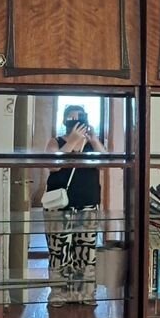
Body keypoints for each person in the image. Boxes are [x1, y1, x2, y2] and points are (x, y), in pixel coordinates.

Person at [44, 105, 106, 305]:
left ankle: (86, 293)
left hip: (88, 203)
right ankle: (59, 293)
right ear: (64, 121)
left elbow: (106, 163)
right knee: (59, 251)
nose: (75, 122)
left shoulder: (92, 143)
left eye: (79, 118)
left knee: (86, 251)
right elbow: (52, 166)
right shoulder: (56, 141)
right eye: (70, 119)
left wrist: (93, 139)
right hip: (59, 206)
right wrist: (71, 141)